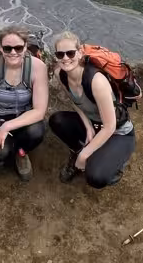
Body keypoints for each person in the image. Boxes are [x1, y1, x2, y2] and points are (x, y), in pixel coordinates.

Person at [49, 30, 135, 188]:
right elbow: (75, 101)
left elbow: (110, 126)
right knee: (57, 121)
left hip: (118, 132)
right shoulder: (60, 74)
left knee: (96, 176)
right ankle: (78, 151)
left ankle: (112, 163)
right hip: (95, 125)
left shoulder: (96, 81)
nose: (65, 58)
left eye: (70, 53)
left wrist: (84, 155)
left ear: (80, 52)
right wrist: (88, 125)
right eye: (60, 54)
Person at [0, 26, 49, 182]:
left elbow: (39, 111)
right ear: (0, 48)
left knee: (36, 131)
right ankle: (6, 151)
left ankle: (21, 152)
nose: (13, 52)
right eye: (7, 48)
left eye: (18, 47)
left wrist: (7, 126)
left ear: (25, 47)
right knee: (0, 153)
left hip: (25, 115)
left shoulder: (37, 68)